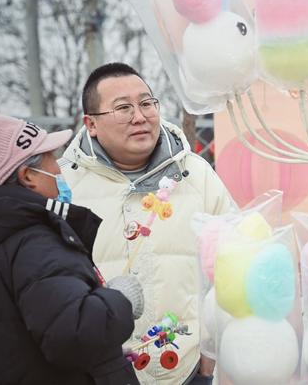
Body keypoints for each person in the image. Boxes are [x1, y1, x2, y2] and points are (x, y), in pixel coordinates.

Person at [59, 63, 234, 385]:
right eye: (123, 108)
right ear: (91, 124)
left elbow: (233, 265)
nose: (139, 117)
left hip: (188, 368)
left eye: (146, 103)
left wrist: (210, 353)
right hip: (96, 371)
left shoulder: (197, 175)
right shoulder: (65, 185)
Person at [0, 112, 142, 385]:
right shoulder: (34, 240)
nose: (59, 170)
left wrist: (103, 360)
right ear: (28, 176)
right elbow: (74, 335)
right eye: (50, 159)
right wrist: (119, 299)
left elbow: (8, 341)